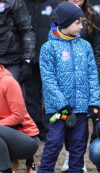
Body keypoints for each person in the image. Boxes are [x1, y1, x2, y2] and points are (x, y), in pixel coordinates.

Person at [32, 2, 100, 173]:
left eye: (82, 22)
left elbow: (92, 75)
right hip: (59, 110)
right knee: (53, 143)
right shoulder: (48, 48)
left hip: (80, 107)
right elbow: (49, 80)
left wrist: (93, 102)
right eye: (78, 22)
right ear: (64, 23)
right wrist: (62, 106)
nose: (81, 26)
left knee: (78, 144)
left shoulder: (85, 46)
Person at [60, 0, 100, 173]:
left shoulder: (93, 15)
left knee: (84, 119)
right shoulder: (58, 13)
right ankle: (70, 154)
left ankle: (79, 158)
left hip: (86, 75)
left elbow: (98, 48)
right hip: (65, 76)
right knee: (66, 116)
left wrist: (97, 75)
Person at [23, 0, 60, 142]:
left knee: (51, 95)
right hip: (29, 58)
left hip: (51, 58)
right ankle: (35, 129)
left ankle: (49, 129)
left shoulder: (56, 3)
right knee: (31, 96)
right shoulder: (23, 4)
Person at [0, 65, 40, 173]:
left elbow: (18, 115)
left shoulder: (8, 82)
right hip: (8, 136)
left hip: (28, 140)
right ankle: (10, 162)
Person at [0, 0, 35, 82]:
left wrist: (27, 60)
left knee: (12, 94)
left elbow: (27, 30)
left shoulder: (14, 2)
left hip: (11, 62)